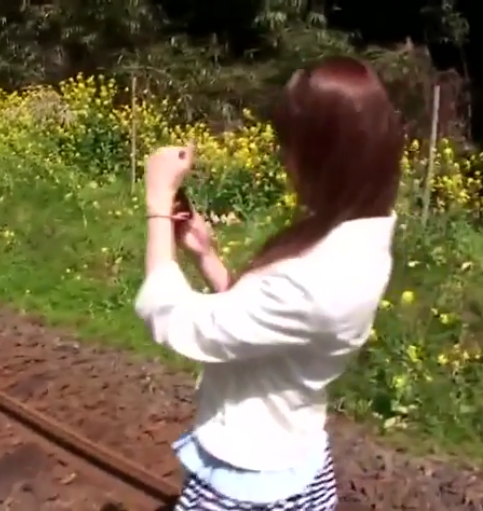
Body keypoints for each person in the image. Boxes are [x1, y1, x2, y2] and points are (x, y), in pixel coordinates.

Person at [134, 56, 403, 510]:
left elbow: (177, 319)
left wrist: (157, 203)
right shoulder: (357, 235)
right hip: (295, 456)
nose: (284, 161)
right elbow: (264, 325)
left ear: (323, 160)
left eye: (289, 148)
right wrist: (207, 257)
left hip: (249, 481)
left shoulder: (319, 280)